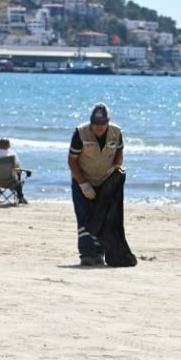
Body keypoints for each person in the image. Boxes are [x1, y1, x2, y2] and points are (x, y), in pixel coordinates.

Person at [68, 103, 124, 265]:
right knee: (84, 218)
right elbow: (72, 161)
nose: (98, 128)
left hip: (105, 181)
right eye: (95, 124)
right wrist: (83, 184)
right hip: (82, 180)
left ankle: (99, 254)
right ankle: (86, 255)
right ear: (91, 121)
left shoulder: (116, 132)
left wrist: (116, 170)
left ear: (108, 122)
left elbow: (119, 152)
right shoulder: (80, 133)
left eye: (102, 124)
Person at [0, 137, 29, 204]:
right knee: (18, 173)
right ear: (9, 146)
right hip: (10, 181)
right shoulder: (12, 155)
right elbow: (18, 167)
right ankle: (20, 197)